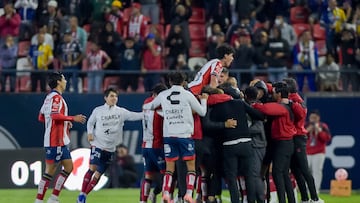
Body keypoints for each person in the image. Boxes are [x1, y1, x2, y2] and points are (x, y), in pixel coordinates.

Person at [143, 72, 208, 203]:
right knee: (191, 167)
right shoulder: (187, 95)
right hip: (184, 136)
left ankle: (166, 193)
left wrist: (164, 111)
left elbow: (147, 107)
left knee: (169, 168)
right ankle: (189, 194)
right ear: (184, 82)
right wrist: (204, 100)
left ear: (170, 82)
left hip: (169, 136)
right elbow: (202, 112)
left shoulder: (163, 95)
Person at [77, 87, 143, 203]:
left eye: (116, 96)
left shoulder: (121, 112)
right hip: (97, 144)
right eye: (112, 96)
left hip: (111, 148)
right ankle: (82, 194)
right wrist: (90, 133)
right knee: (92, 168)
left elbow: (135, 116)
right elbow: (90, 122)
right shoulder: (98, 110)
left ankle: (84, 195)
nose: (114, 98)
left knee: (99, 173)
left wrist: (147, 113)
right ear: (105, 98)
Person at [35, 72, 87, 203]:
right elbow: (54, 115)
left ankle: (53, 197)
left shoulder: (49, 97)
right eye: (63, 79)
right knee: (49, 172)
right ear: (58, 82)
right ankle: (39, 200)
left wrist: (64, 122)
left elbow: (41, 117)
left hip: (60, 140)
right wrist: (72, 118)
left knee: (69, 167)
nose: (65, 81)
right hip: (55, 140)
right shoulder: (56, 98)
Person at [283, 78, 323, 203]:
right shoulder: (291, 99)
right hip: (292, 137)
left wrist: (290, 104)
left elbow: (302, 114)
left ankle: (315, 198)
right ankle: (305, 198)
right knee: (296, 171)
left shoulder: (297, 100)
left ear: (288, 89)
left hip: (298, 137)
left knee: (304, 169)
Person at [140, 84, 168, 203]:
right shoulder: (160, 105)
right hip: (157, 146)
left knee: (148, 176)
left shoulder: (147, 102)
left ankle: (143, 201)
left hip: (145, 146)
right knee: (167, 175)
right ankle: (157, 194)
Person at [306, 110, 332, 194]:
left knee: (317, 170)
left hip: (319, 152)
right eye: (311, 118)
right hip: (307, 152)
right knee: (307, 171)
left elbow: (327, 138)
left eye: (315, 118)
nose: (313, 120)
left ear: (318, 118)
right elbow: (300, 136)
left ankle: (316, 189)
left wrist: (319, 131)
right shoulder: (305, 125)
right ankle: (307, 189)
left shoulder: (323, 126)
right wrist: (307, 131)